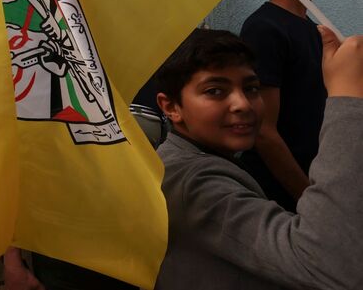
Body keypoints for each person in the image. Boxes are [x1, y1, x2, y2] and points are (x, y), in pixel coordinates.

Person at [153, 27, 363, 289]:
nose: (242, 104)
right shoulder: (192, 183)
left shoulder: (202, 157)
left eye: (251, 88)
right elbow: (331, 265)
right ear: (171, 107)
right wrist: (347, 98)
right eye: (215, 91)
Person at [239, 0, 341, 210]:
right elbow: (263, 131)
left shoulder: (313, 30)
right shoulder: (265, 29)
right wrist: (309, 201)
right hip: (286, 206)